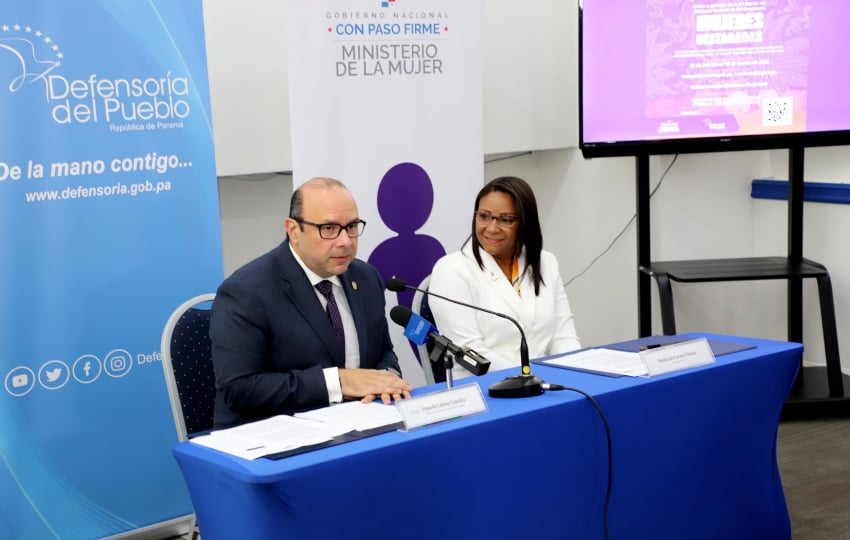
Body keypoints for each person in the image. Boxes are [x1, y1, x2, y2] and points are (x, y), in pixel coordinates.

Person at [210, 177, 413, 428]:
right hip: (275, 438)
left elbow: (382, 352)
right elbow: (238, 388)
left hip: (358, 426)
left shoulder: (366, 277)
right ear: (294, 231)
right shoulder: (246, 291)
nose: (345, 241)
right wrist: (339, 382)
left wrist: (386, 382)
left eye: (351, 226)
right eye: (328, 229)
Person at [428, 176, 581, 379]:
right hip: (486, 389)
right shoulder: (451, 270)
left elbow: (563, 337)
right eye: (484, 216)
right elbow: (472, 353)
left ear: (525, 224)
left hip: (546, 384)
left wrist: (576, 375)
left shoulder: (546, 262)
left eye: (506, 219)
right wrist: (534, 377)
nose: (492, 228)